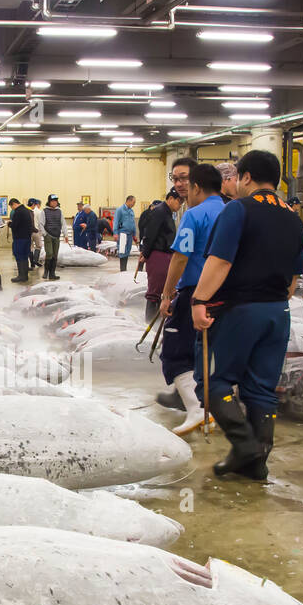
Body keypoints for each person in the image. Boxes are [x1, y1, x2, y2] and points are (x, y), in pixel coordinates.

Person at [190, 151, 303, 480]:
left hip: (239, 311)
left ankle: (245, 447)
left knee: (213, 383)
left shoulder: (238, 210)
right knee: (260, 389)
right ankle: (257, 463)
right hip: (278, 312)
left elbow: (220, 261)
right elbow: (295, 276)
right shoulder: (294, 218)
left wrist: (199, 300)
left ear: (245, 177)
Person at [159, 165, 226, 435]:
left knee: (176, 352)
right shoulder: (235, 211)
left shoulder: (194, 215)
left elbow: (180, 256)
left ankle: (197, 410)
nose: (180, 187)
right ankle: (219, 411)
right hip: (229, 295)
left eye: (185, 181)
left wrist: (167, 294)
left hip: (195, 294)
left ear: (197, 187)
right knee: (215, 354)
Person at [138, 189, 180, 321]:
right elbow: (150, 234)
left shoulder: (167, 212)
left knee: (162, 288)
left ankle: (156, 321)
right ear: (171, 198)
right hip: (158, 255)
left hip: (165, 254)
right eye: (179, 201)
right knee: (154, 291)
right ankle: (149, 322)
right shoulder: (160, 211)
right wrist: (145, 253)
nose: (180, 205)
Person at [40, 193, 68, 280]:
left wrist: (65, 234)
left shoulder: (59, 211)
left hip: (57, 236)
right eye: (52, 201)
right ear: (49, 202)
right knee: (49, 254)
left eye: (56, 201)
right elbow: (41, 224)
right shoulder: (44, 211)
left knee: (55, 255)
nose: (54, 203)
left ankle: (52, 274)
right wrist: (45, 234)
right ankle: (46, 272)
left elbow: (63, 223)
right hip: (48, 235)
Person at [8, 196, 35, 283]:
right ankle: (25, 276)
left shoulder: (18, 211)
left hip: (19, 238)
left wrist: (9, 224)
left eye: (11, 207)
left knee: (19, 256)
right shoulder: (26, 210)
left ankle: (21, 276)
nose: (12, 209)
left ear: (14, 204)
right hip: (27, 237)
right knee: (24, 256)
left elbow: (15, 225)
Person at [114, 195, 138, 272]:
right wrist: (115, 233)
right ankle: (122, 269)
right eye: (133, 202)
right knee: (122, 251)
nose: (134, 204)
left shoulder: (131, 211)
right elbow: (116, 222)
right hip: (122, 234)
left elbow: (133, 223)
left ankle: (125, 268)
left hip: (130, 234)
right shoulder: (120, 210)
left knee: (128, 251)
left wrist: (134, 234)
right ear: (128, 201)